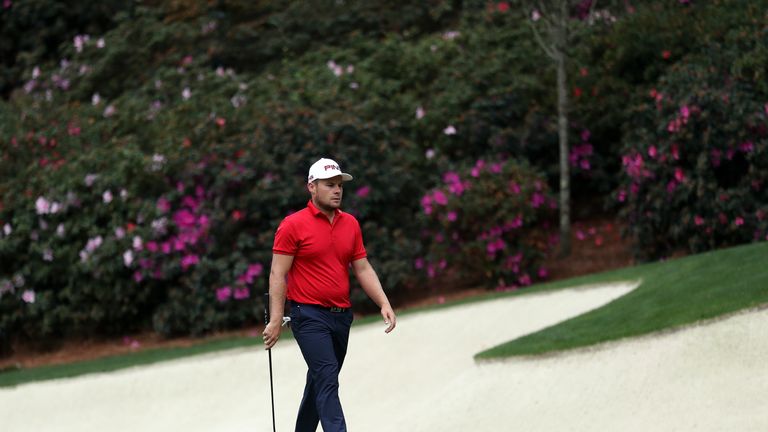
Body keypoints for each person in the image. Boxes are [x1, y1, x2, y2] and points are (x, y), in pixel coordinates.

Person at [263, 157, 397, 432]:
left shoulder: (350, 224)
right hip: (308, 315)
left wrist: (383, 302)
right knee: (327, 379)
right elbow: (278, 273)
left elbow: (362, 268)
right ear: (312, 187)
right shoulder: (292, 225)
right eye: (329, 185)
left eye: (339, 185)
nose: (337, 190)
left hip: (341, 317)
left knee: (320, 380)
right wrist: (276, 319)